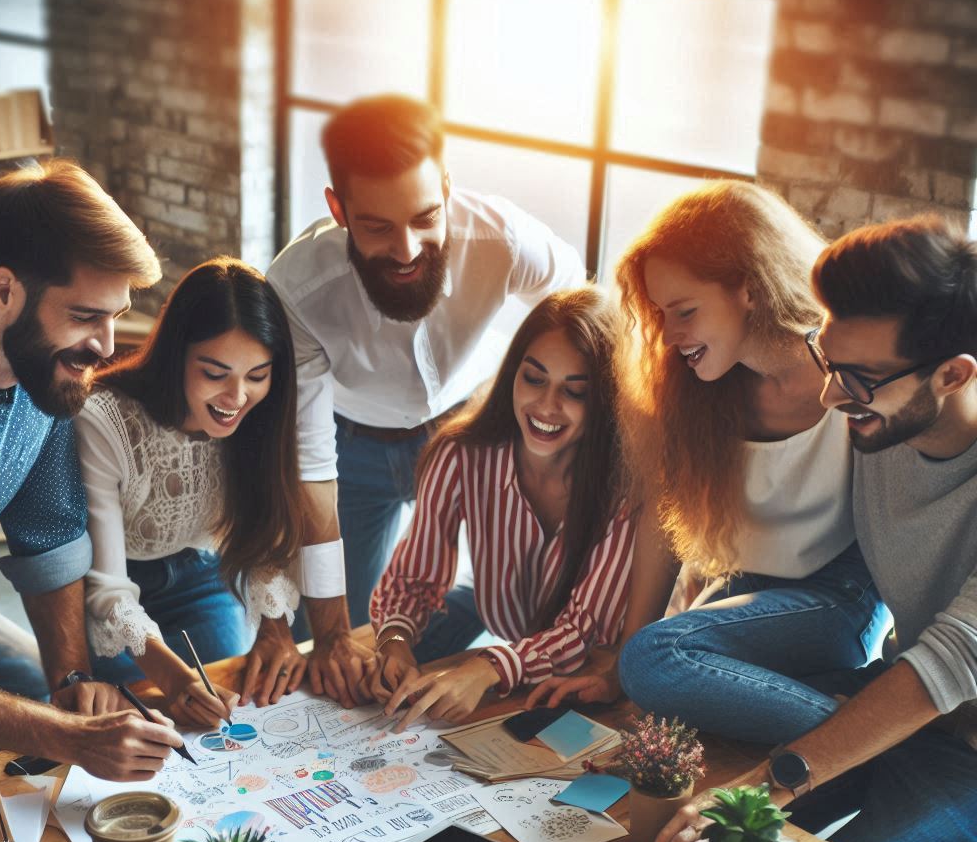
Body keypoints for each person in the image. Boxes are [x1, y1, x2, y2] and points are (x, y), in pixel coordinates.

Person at [641, 215, 977, 842]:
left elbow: (947, 662)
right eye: (829, 360)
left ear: (954, 375)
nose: (831, 394)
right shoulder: (881, 417)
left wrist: (768, 785)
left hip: (963, 753)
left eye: (856, 380)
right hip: (908, 714)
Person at [530, 181, 889, 726]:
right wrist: (619, 669)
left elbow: (907, 518)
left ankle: (873, 740)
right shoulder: (691, 388)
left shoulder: (849, 367)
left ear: (748, 288)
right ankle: (834, 708)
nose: (670, 336)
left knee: (658, 664)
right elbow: (662, 526)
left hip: (841, 594)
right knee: (654, 686)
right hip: (746, 587)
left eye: (685, 311)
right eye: (660, 314)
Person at [267, 94, 586, 707]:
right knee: (335, 651)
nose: (408, 249)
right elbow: (309, 460)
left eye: (423, 217)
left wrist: (556, 412)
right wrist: (333, 634)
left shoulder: (504, 238)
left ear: (446, 185)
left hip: (478, 430)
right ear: (338, 210)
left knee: (521, 605)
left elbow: (584, 313)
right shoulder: (296, 288)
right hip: (349, 449)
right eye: (378, 227)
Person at [0, 158, 182, 778]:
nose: (107, 346)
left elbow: (50, 537)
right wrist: (70, 739)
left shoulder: (44, 378)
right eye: (86, 316)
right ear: (4, 290)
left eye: (115, 315)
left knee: (44, 704)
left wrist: (71, 679)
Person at [365, 287, 635, 728]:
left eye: (575, 391)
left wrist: (486, 669)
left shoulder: (623, 483)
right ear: (513, 373)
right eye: (534, 378)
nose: (547, 406)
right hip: (501, 612)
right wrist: (393, 640)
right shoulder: (459, 453)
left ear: (604, 400)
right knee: (376, 676)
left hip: (598, 661)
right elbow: (413, 578)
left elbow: (584, 632)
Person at [77, 259, 311, 721]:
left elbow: (266, 534)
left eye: (257, 376)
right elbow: (106, 590)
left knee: (231, 704)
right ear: (176, 353)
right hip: (111, 590)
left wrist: (274, 625)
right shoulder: (105, 421)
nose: (236, 397)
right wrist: (175, 680)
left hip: (204, 578)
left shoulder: (263, 418)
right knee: (135, 717)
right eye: (215, 372)